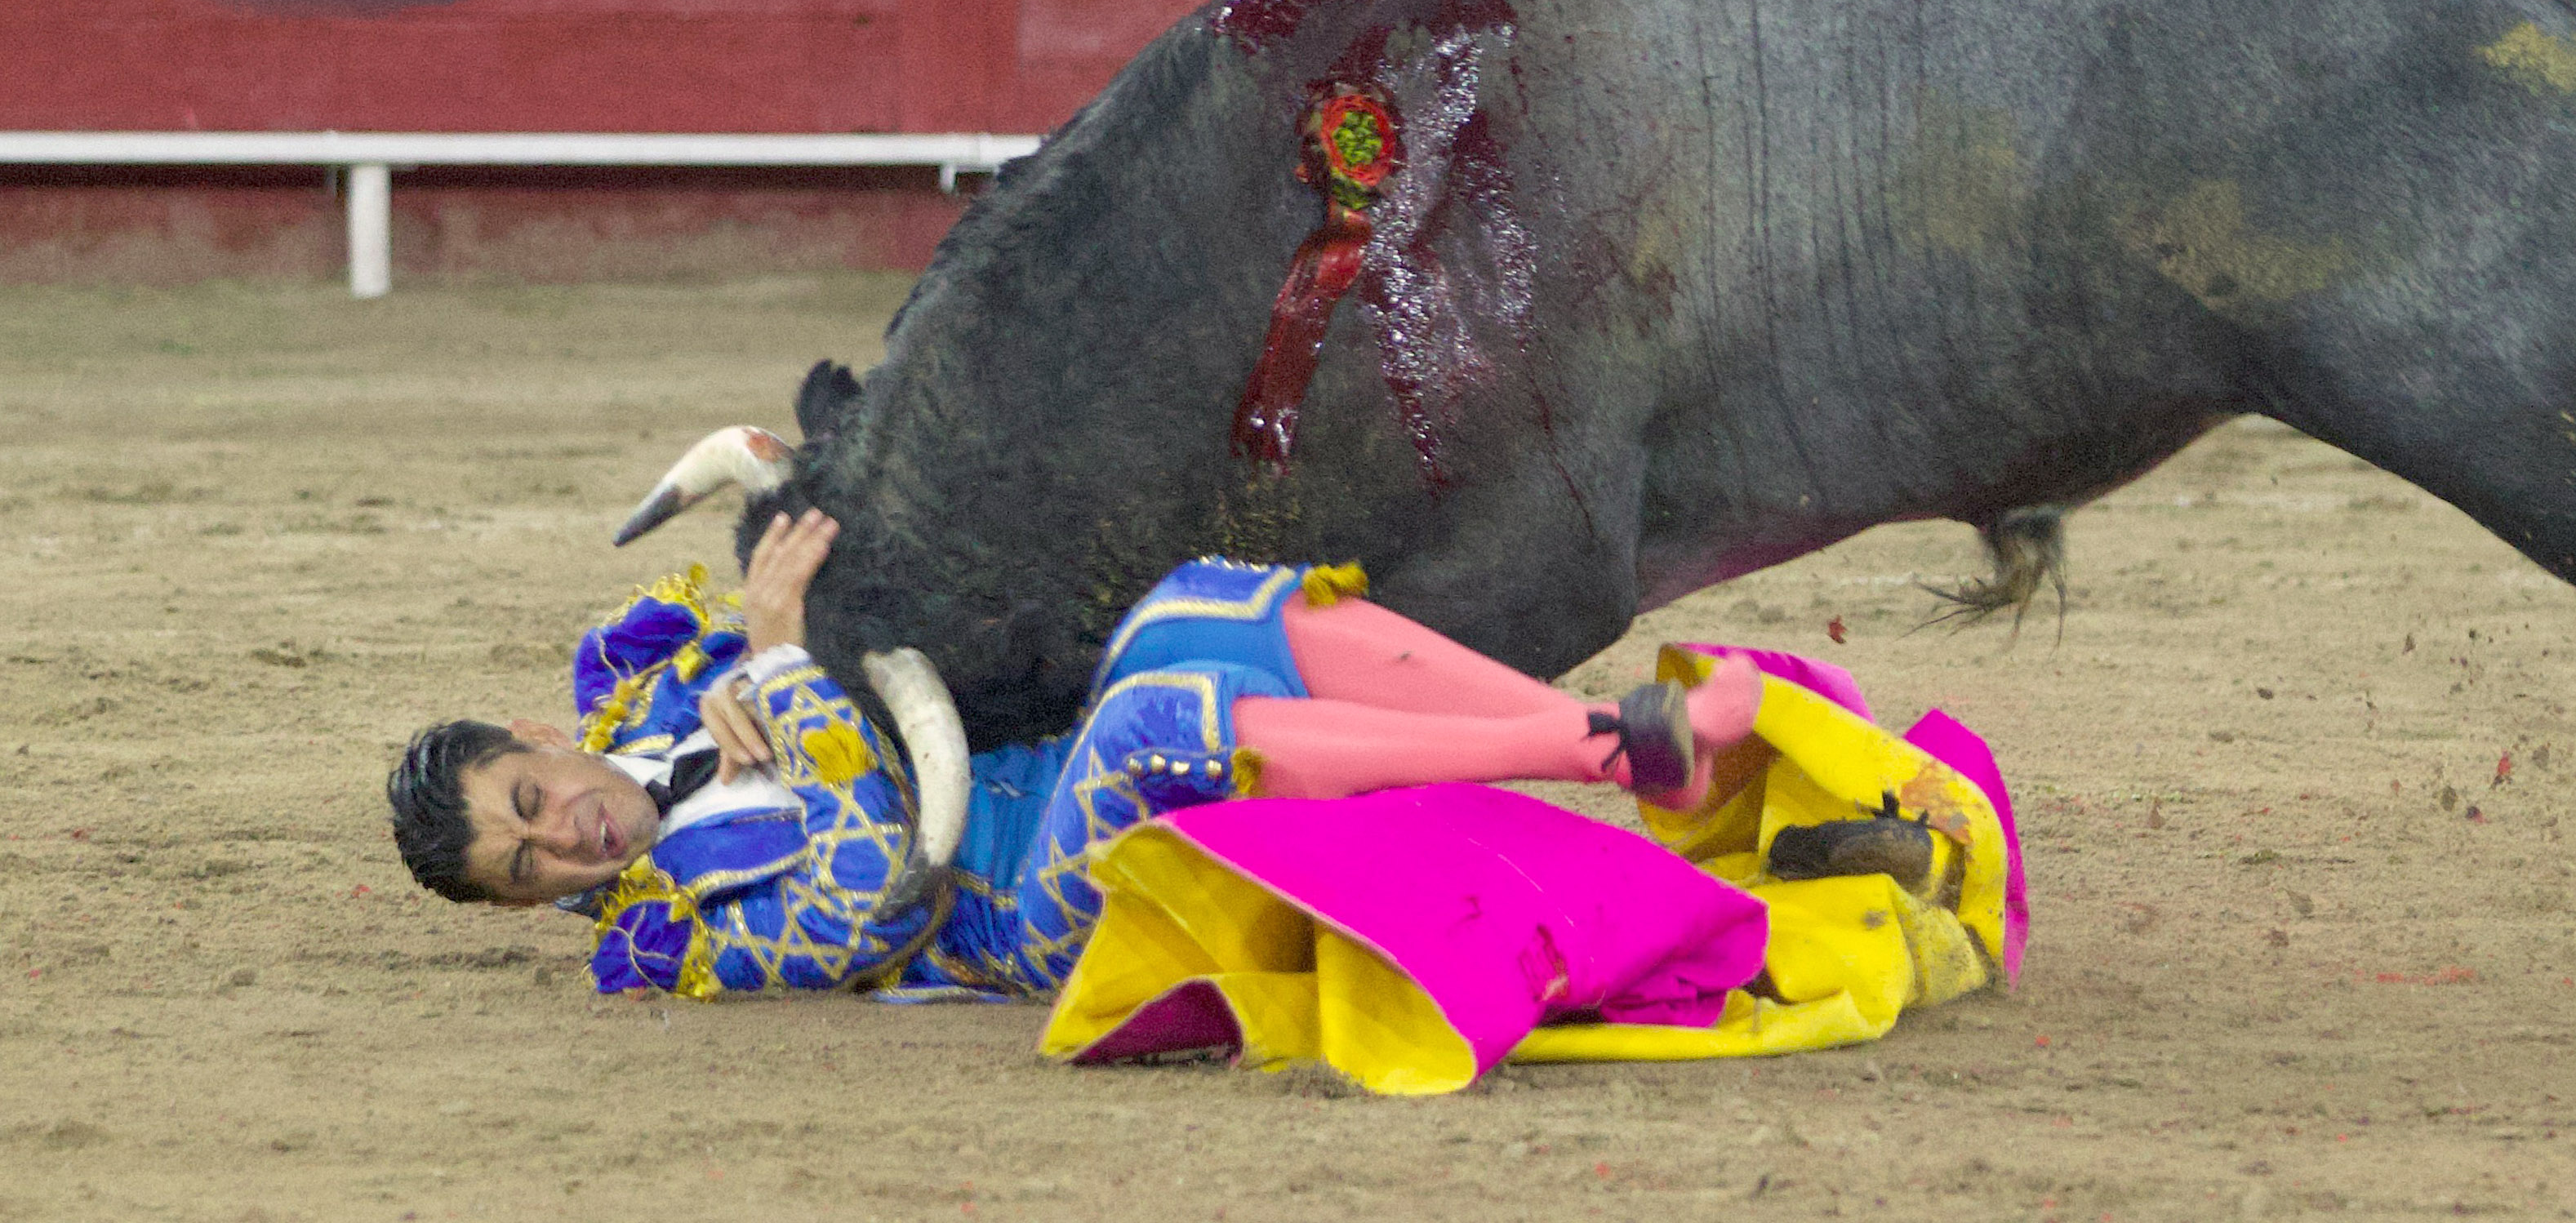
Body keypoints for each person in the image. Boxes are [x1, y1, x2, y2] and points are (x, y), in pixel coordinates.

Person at [386, 515, 1768, 999]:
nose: (564, 839)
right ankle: (1603, 751)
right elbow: (876, 882)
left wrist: (778, 629)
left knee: (1196, 602)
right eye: (527, 870)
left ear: (536, 741)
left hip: (1025, 768)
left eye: (527, 801)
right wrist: (786, 669)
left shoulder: (657, 680)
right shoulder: (681, 937)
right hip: (1015, 911)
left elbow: (829, 587)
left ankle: (1590, 724)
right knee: (1143, 724)